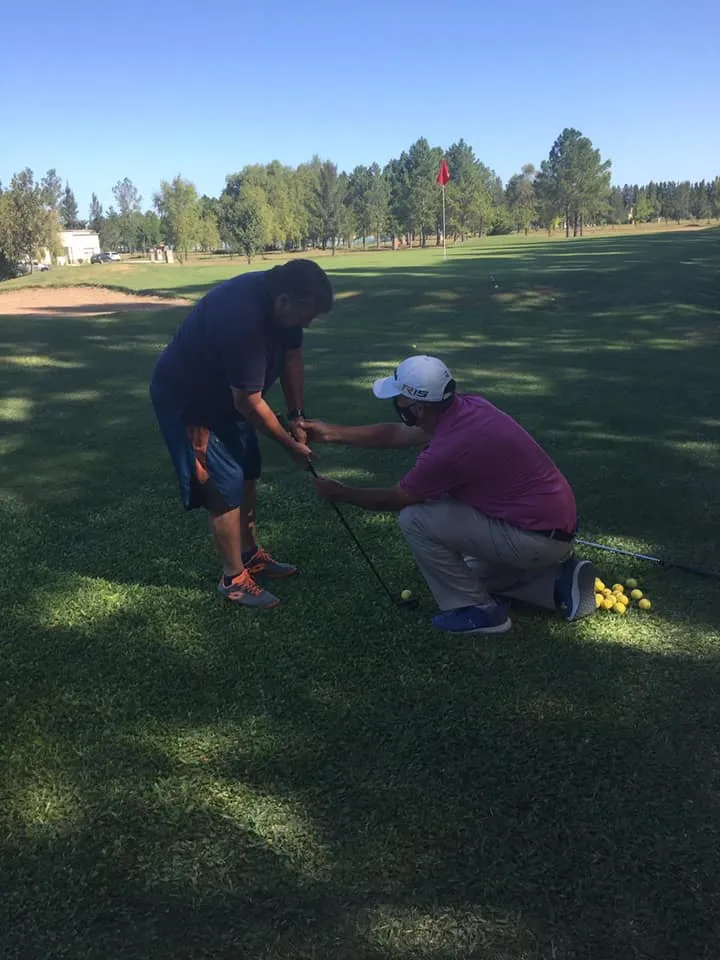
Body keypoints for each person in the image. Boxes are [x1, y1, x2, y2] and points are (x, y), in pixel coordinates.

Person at [303, 355, 597, 635]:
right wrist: (331, 434)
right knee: (468, 573)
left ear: (419, 408)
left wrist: (341, 493)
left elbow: (394, 499)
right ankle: (556, 583)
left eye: (401, 399)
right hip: (548, 530)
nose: (397, 404)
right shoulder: (466, 407)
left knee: (415, 518)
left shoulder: (449, 450)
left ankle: (480, 612)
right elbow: (395, 434)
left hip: (534, 538)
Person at [150, 259, 333, 609]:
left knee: (247, 469)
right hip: (192, 401)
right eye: (305, 314)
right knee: (222, 485)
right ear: (283, 300)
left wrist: (296, 416)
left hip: (230, 396)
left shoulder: (285, 308)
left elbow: (293, 358)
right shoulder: (241, 319)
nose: (307, 323)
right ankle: (232, 578)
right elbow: (248, 400)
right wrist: (290, 444)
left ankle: (250, 555)